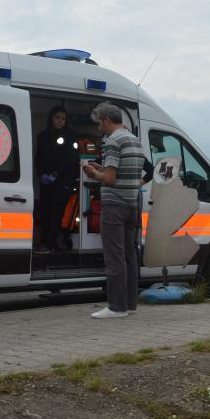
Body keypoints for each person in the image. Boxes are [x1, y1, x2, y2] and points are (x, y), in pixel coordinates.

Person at [83, 102, 146, 318]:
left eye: (99, 123)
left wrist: (93, 173)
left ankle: (116, 307)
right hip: (132, 204)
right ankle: (129, 305)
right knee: (129, 255)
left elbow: (109, 179)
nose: (98, 128)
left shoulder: (112, 141)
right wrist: (102, 169)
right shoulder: (134, 140)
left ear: (106, 120)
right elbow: (125, 174)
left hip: (114, 206)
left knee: (114, 256)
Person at [35, 105, 80, 252]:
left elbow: (70, 159)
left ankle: (50, 243)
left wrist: (55, 174)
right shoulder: (43, 136)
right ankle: (45, 241)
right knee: (44, 209)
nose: (60, 121)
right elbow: (39, 157)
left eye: (63, 119)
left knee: (57, 211)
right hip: (46, 179)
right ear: (51, 118)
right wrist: (41, 174)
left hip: (62, 180)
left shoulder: (71, 136)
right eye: (57, 118)